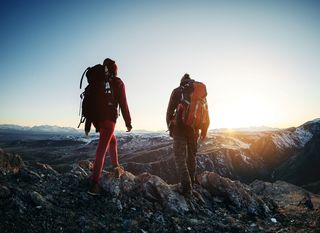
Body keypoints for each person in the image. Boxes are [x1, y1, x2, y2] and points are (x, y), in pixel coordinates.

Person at [87, 58, 132, 195]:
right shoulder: (117, 82)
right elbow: (123, 103)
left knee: (113, 140)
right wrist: (128, 122)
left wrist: (90, 123)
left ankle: (115, 167)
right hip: (109, 120)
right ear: (115, 69)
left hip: (98, 120)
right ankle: (94, 184)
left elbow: (91, 101)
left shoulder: (98, 82)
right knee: (101, 151)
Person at [166, 73, 209, 196]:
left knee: (180, 159)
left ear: (181, 81)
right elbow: (206, 112)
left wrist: (170, 128)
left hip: (179, 129)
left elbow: (169, 111)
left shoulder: (177, 91)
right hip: (194, 130)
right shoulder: (200, 93)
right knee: (191, 157)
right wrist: (204, 130)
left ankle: (186, 188)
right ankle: (192, 182)